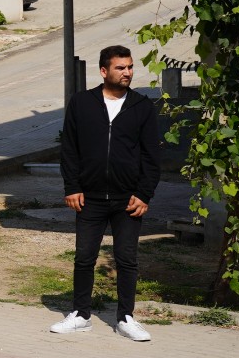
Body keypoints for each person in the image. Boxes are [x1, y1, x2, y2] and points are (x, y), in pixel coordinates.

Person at [52, 46, 161, 342]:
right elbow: (70, 149)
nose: (127, 72)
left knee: (126, 258)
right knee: (84, 257)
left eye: (129, 67)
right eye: (120, 68)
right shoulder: (82, 103)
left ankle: (126, 317)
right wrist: (71, 187)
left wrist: (144, 194)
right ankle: (81, 315)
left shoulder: (142, 107)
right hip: (90, 197)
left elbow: (152, 156)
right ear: (104, 71)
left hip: (128, 199)